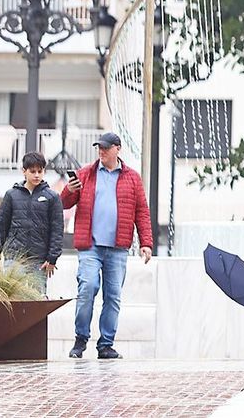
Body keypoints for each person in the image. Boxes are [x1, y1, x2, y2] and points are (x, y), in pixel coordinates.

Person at [60, 132, 153, 360]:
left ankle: (105, 345)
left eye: (106, 148)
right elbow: (62, 203)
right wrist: (69, 190)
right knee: (87, 288)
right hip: (90, 245)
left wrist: (146, 243)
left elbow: (141, 211)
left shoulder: (132, 178)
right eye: (99, 148)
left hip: (118, 247)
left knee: (113, 297)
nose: (101, 151)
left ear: (117, 149)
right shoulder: (86, 174)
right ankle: (80, 339)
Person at [0, 151, 64, 294]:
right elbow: (1, 227)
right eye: (32, 171)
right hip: (14, 258)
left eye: (40, 171)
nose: (37, 175)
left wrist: (52, 258)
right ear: (24, 171)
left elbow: (57, 230)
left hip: (39, 260)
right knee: (13, 299)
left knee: (37, 301)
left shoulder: (52, 197)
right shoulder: (11, 195)